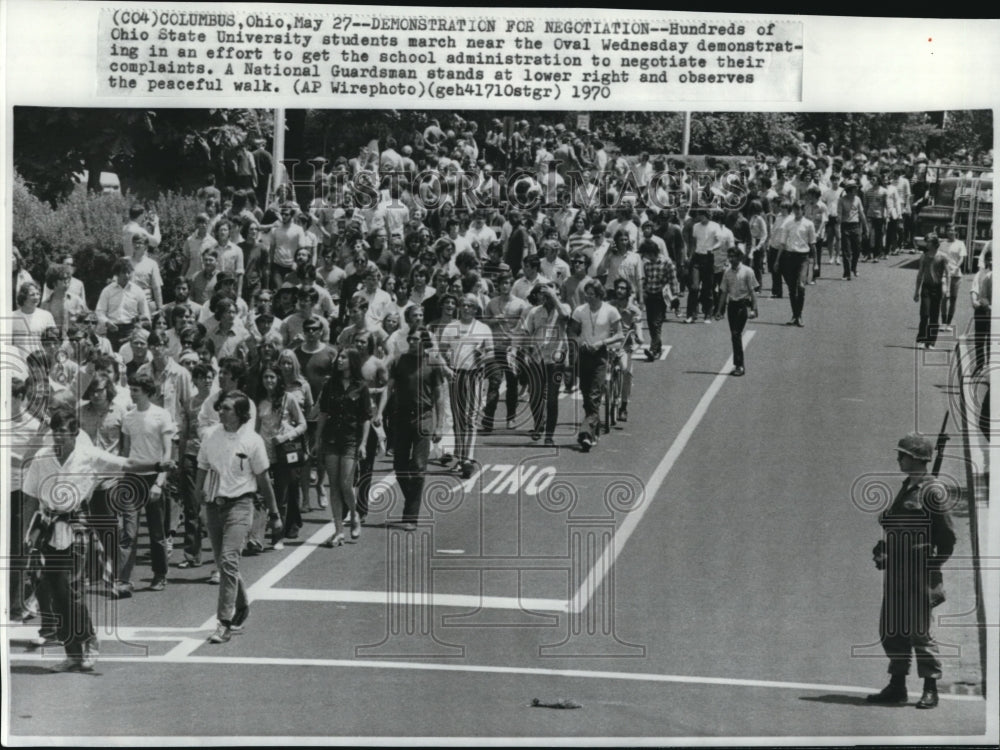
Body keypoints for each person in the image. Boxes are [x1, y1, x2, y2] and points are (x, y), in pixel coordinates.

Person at [23, 408, 175, 671]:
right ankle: (72, 653)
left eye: (64, 432)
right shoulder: (41, 458)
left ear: (75, 434)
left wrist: (158, 466)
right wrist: (27, 535)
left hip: (77, 525)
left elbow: (126, 463)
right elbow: (30, 498)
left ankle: (89, 638)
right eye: (55, 431)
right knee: (54, 593)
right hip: (48, 527)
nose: (59, 437)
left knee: (73, 588)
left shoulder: (88, 456)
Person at [867, 433, 956, 709]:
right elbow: (895, 526)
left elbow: (947, 538)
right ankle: (897, 685)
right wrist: (884, 548)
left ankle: (930, 688)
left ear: (916, 459)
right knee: (892, 628)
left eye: (902, 455)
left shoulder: (932, 491)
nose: (898, 459)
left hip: (918, 572)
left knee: (919, 631)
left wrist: (930, 567)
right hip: (896, 571)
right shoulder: (907, 486)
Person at [195, 391, 282, 644]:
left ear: (241, 414)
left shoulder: (252, 441)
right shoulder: (211, 435)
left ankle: (224, 622)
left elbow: (264, 479)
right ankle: (242, 604)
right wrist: (198, 501)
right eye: (220, 407)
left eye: (227, 409)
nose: (220, 411)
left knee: (228, 561)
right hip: (214, 505)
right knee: (225, 564)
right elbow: (202, 467)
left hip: (241, 505)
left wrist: (274, 515)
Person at [377, 327, 448, 530]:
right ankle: (413, 499)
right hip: (400, 418)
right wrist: (379, 412)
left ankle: (410, 516)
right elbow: (389, 388)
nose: (413, 342)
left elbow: (439, 396)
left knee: (417, 467)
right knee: (400, 468)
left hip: (423, 418)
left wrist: (439, 425)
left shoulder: (432, 363)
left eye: (417, 339)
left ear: (424, 341)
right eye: (411, 339)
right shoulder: (400, 361)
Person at [314, 348, 372, 545]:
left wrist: (363, 443)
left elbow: (366, 418)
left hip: (351, 440)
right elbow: (323, 412)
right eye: (339, 357)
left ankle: (354, 516)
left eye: (344, 357)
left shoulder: (361, 386)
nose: (339, 360)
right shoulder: (330, 384)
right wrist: (317, 439)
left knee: (346, 484)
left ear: (352, 361)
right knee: (334, 486)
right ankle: (338, 530)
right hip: (331, 439)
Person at [439, 294, 494, 478]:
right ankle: (460, 455)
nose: (466, 308)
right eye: (463, 304)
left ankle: (467, 459)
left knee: (470, 418)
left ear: (476, 308)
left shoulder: (483, 328)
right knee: (458, 418)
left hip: (474, 375)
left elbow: (491, 354)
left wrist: (482, 356)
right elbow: (442, 351)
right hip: (456, 374)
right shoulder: (451, 327)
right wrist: (446, 364)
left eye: (470, 305)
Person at [256, 364, 306, 551]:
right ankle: (258, 535)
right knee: (261, 494)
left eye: (272, 377)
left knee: (281, 495)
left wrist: (286, 436)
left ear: (278, 380)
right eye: (265, 377)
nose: (269, 381)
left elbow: (302, 424)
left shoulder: (288, 398)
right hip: (263, 452)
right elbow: (256, 427)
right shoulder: (259, 401)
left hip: (283, 452)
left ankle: (278, 535)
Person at [570, 279, 623, 452]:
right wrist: (580, 341)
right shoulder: (580, 310)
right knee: (586, 396)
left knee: (594, 395)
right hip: (584, 354)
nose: (588, 297)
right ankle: (594, 431)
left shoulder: (611, 311)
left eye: (592, 295)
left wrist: (602, 343)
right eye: (586, 294)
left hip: (600, 355)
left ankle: (585, 434)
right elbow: (572, 332)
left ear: (599, 295)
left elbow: (620, 335)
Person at [519, 281, 572, 445]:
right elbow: (526, 332)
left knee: (552, 398)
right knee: (534, 395)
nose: (547, 295)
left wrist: (554, 297)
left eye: (550, 292)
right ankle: (538, 423)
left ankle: (549, 434)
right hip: (537, 357)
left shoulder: (564, 307)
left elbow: (565, 316)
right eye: (545, 292)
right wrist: (525, 352)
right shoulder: (535, 312)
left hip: (556, 359)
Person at [481, 269, 530, 432]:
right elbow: (484, 322)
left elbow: (524, 325)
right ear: (498, 285)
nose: (504, 286)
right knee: (494, 382)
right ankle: (488, 419)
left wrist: (516, 339)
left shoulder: (520, 304)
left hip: (513, 349)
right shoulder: (492, 303)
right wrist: (495, 320)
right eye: (501, 283)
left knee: (512, 383)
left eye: (507, 283)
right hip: (495, 348)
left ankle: (511, 417)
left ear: (511, 285)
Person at [714, 247, 759, 376]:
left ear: (739, 257)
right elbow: (723, 293)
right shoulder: (727, 273)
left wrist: (754, 309)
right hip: (732, 307)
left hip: (742, 305)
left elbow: (752, 291)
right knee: (734, 336)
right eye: (730, 256)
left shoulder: (747, 271)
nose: (731, 259)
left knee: (736, 334)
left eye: (733, 256)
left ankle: (739, 365)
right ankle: (738, 364)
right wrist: (719, 310)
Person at [775, 201, 816, 327]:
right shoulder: (787, 223)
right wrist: (777, 260)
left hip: (803, 257)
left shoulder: (809, 224)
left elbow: (812, 244)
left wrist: (815, 263)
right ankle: (795, 315)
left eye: (800, 209)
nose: (797, 211)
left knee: (801, 286)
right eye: (795, 209)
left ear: (803, 211)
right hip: (789, 256)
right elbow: (782, 243)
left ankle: (800, 315)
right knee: (792, 289)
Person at [96, 258, 151, 349]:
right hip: (113, 330)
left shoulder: (137, 291)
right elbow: (100, 311)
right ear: (117, 274)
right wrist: (107, 322)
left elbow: (145, 314)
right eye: (123, 272)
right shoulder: (107, 291)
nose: (127, 275)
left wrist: (140, 327)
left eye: (129, 272)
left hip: (131, 330)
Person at [914, 233, 950, 350]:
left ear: (935, 243)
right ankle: (921, 339)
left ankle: (931, 342)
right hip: (926, 287)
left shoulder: (942, 257)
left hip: (937, 288)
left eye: (929, 241)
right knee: (924, 314)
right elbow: (920, 274)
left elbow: (948, 274)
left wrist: (947, 289)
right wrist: (916, 291)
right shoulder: (924, 257)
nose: (927, 244)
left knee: (934, 316)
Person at [937, 223, 968, 330]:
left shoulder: (960, 244)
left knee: (953, 299)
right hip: (945, 275)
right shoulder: (942, 244)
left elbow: (962, 258)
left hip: (956, 275)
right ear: (946, 232)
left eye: (953, 230)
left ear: (956, 232)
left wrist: (956, 267)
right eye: (949, 230)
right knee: (944, 297)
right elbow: (939, 258)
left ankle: (949, 323)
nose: (951, 232)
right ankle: (943, 322)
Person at [970, 247, 992, 373]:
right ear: (986, 261)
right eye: (990, 259)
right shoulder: (981, 274)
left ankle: (989, 366)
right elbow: (974, 289)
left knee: (991, 339)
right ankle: (979, 365)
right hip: (982, 308)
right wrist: (974, 300)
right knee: (980, 338)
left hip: (994, 311)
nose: (992, 262)